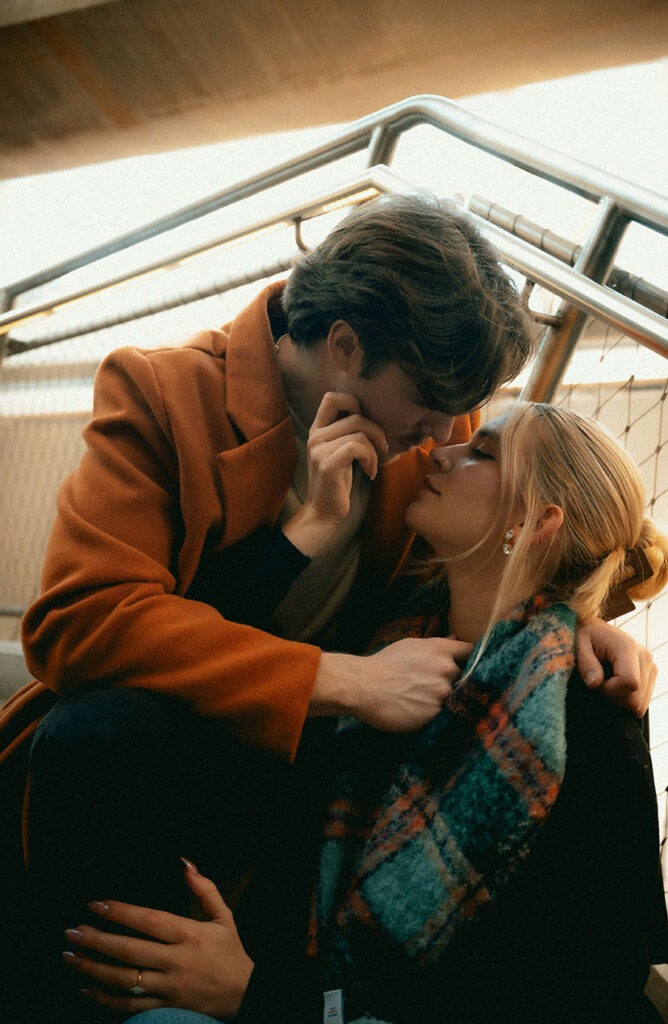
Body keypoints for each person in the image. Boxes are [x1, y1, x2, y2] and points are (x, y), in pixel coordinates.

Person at [0, 195, 657, 1018]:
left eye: (462, 413)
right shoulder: (163, 393)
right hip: (158, 756)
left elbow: (508, 547)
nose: (443, 433)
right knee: (97, 739)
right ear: (346, 347)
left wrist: (570, 622)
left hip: (304, 795)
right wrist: (337, 665)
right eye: (428, 406)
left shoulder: (423, 418)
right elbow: (80, 622)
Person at [57, 402, 668, 1023]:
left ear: (536, 522)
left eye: (480, 453)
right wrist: (319, 518)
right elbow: (216, 639)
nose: (442, 451)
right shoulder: (391, 640)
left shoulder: (584, 711)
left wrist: (259, 996)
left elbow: (581, 986)